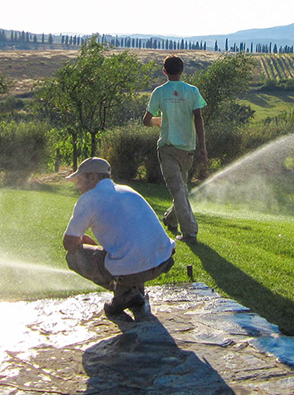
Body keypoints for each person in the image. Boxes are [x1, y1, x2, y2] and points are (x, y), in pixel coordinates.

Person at [63, 157, 176, 318]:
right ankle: (136, 292)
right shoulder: (127, 190)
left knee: (74, 256)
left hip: (136, 268)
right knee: (129, 253)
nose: (77, 186)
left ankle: (124, 295)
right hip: (162, 260)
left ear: (93, 177)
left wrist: (83, 242)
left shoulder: (88, 199)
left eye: (80, 180)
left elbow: (69, 243)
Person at [142, 54, 208, 243]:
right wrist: (203, 147)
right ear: (182, 71)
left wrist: (157, 121)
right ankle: (172, 220)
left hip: (168, 147)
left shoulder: (159, 92)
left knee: (180, 191)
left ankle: (189, 233)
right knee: (180, 190)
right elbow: (198, 118)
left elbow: (146, 121)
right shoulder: (192, 91)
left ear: (164, 71)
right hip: (188, 148)